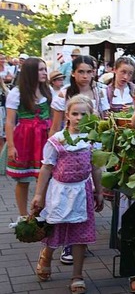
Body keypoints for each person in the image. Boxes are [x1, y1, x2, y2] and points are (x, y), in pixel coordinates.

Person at [30, 95, 104, 293]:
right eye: (75, 113)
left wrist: (99, 191)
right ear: (67, 115)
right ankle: (47, 255)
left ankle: (77, 275)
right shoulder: (57, 140)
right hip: (60, 193)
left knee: (80, 235)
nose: (79, 118)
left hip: (82, 192)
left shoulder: (93, 140)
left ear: (91, 116)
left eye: (84, 114)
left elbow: (96, 167)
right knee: (54, 230)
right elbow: (46, 168)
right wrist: (39, 195)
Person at [5, 57, 52, 217]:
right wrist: (11, 146)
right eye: (40, 69)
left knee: (44, 177)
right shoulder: (17, 92)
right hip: (24, 138)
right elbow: (10, 122)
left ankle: (39, 213)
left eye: (45, 69)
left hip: (44, 137)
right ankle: (23, 215)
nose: (44, 72)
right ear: (31, 72)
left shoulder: (48, 91)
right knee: (23, 179)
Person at [49, 56, 109, 137]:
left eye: (89, 72)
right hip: (70, 139)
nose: (85, 76)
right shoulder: (64, 94)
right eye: (81, 72)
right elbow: (55, 128)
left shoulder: (99, 93)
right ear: (73, 73)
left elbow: (105, 120)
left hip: (94, 140)